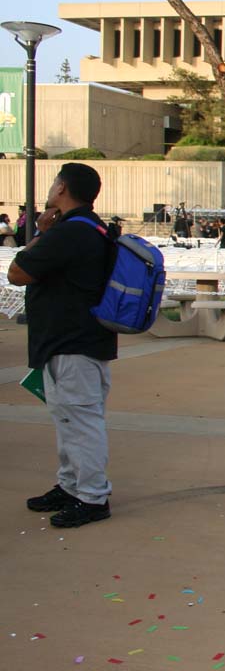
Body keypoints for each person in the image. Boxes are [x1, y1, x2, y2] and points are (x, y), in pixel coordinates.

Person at [8, 163, 117, 528]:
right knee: (72, 420)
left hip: (71, 344)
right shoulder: (93, 227)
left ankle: (92, 497)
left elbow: (18, 272)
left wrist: (40, 236)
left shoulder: (70, 233)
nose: (51, 189)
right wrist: (43, 231)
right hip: (80, 341)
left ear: (62, 190)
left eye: (55, 184)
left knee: (81, 422)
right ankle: (71, 485)